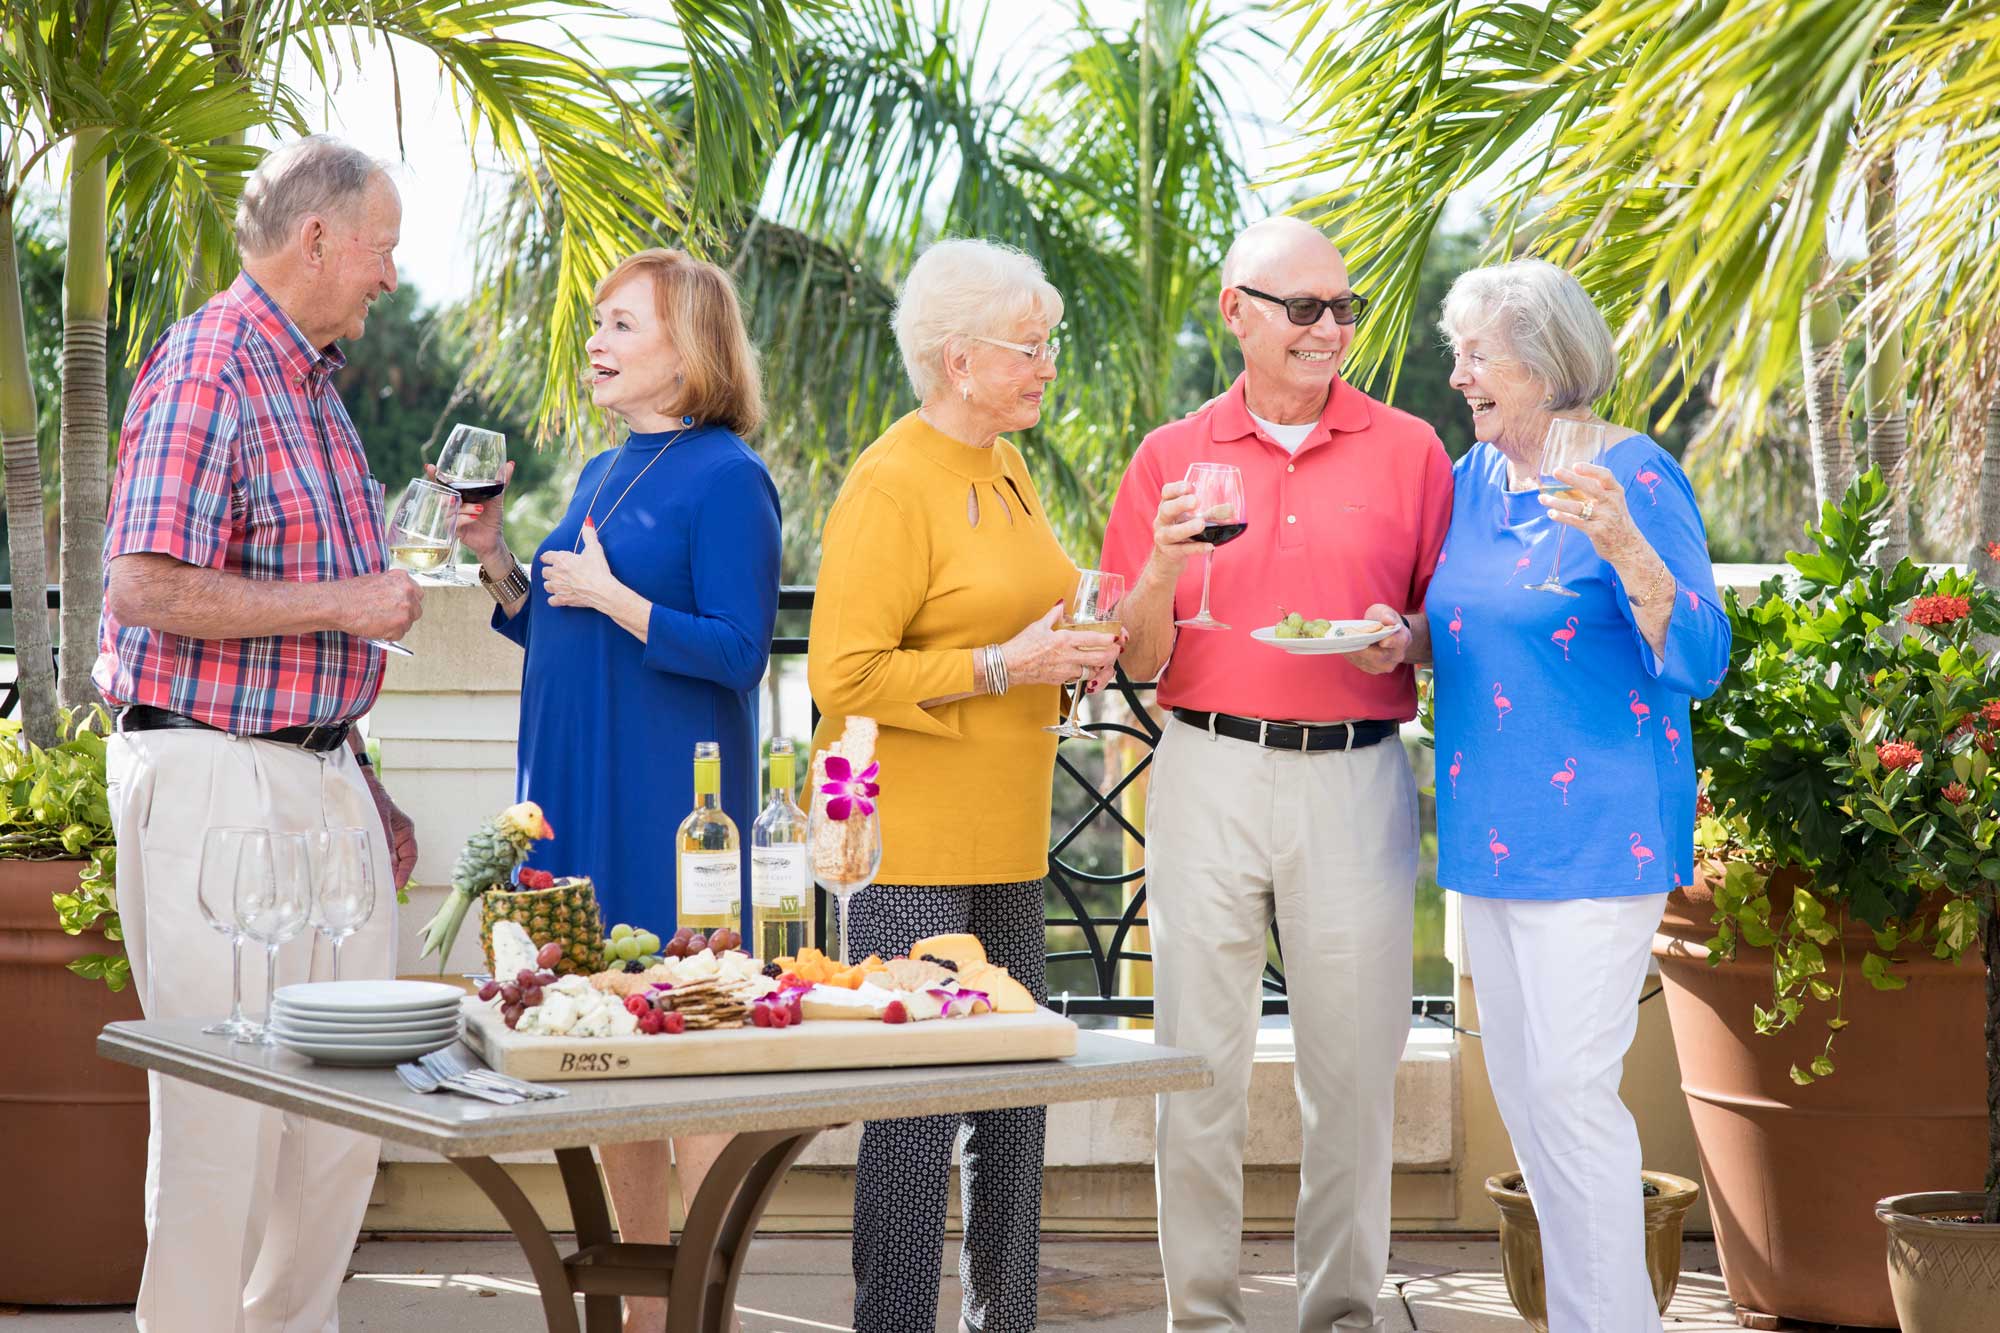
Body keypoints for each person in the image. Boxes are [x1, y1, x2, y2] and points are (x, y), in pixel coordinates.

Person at [1098, 215, 1453, 1333]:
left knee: (1351, 1078)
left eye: (1342, 308)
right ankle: (1199, 1316)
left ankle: (1340, 1314)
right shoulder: (1169, 456)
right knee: (1192, 1067)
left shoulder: (1410, 450)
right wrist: (1157, 561)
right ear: (1235, 312)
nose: (1327, 329)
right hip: (1205, 767)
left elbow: (1448, 624)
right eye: (1301, 308)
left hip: (1354, 777)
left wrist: (1405, 639)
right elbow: (1138, 657)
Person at [96, 134, 421, 1333]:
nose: (393, 273)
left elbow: (313, 636)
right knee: (224, 1120)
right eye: (383, 245)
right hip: (212, 778)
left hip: (317, 776)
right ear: (318, 237)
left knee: (344, 1116)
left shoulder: (318, 389)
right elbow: (142, 585)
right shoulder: (210, 365)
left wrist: (364, 777)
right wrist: (346, 601)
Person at [455, 247, 780, 1333]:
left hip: (664, 813)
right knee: (609, 1071)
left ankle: (704, 1310)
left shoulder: (729, 475)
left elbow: (741, 651)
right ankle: (643, 1315)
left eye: (621, 325)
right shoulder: (601, 472)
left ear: (688, 350)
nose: (594, 341)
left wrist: (616, 595)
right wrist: (495, 553)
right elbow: (551, 619)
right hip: (574, 803)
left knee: (682, 1065)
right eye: (596, 323)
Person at [807, 237, 1121, 1333]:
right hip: (906, 844)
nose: (1044, 364)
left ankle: (1005, 1323)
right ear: (956, 358)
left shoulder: (1004, 460)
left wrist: (1064, 657)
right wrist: (1005, 666)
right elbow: (840, 674)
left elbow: (1018, 622)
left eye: (1047, 344)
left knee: (1013, 1100)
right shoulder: (891, 482)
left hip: (1007, 832)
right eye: (1026, 347)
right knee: (911, 1112)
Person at [1410, 258, 1728, 1333]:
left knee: (1570, 1097)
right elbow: (1469, 621)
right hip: (1484, 835)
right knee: (1527, 1106)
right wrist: (1394, 638)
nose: (1457, 373)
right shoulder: (1472, 481)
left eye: (1476, 354)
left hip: (1596, 838)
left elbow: (1699, 652)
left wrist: (1624, 548)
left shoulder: (1631, 474)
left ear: (1543, 367)